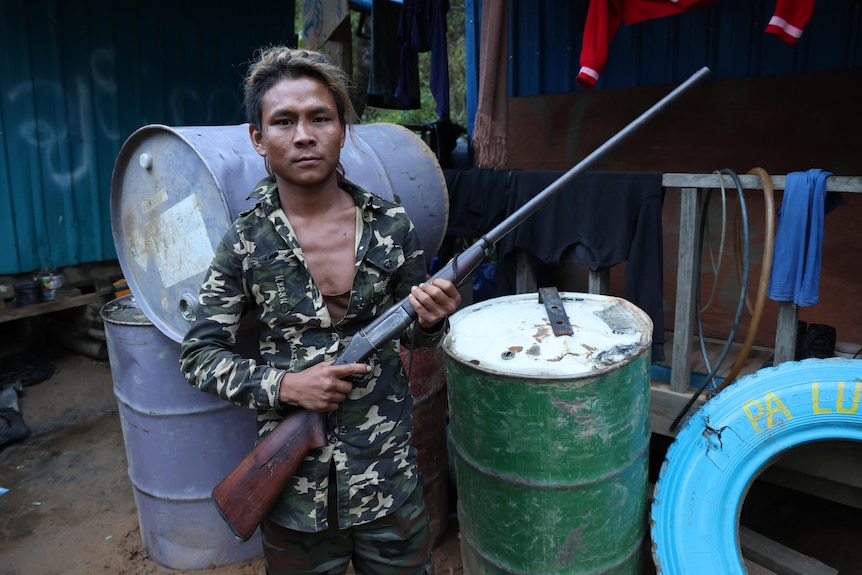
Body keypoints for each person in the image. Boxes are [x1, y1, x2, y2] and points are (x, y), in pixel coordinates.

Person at [179, 46, 461, 574]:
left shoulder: (392, 226)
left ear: (342, 130)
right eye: (283, 121)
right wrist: (286, 387)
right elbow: (198, 356)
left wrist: (432, 319)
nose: (304, 134)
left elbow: (418, 340)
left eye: (320, 117)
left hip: (388, 480)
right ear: (258, 139)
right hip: (294, 492)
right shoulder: (244, 242)